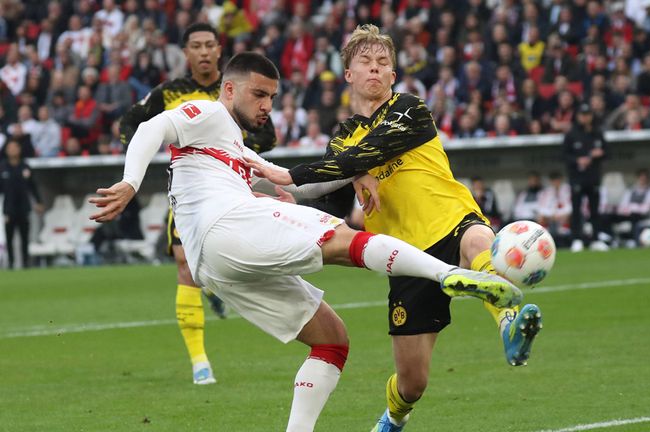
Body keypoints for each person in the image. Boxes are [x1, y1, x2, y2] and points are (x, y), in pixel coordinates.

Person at [90, 51, 521, 432]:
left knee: (332, 339)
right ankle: (452, 274)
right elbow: (151, 128)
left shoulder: (234, 146)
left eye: (273, 98)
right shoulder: (208, 113)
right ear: (228, 88)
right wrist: (130, 182)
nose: (267, 106)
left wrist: (352, 173)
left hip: (215, 264)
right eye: (259, 95)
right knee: (344, 240)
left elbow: (300, 185)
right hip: (227, 224)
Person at [245, 25, 542, 431]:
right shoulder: (346, 135)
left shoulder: (409, 108)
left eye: (383, 63)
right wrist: (292, 204)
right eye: (365, 62)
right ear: (348, 73)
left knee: (480, 240)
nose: (375, 69)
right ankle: (393, 418)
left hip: (452, 219)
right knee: (413, 381)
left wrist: (285, 173)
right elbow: (330, 192)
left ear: (393, 76)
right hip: (405, 257)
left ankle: (509, 322)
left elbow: (365, 153)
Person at [119, 22, 277, 385]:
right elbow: (131, 123)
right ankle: (200, 362)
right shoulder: (170, 92)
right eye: (196, 46)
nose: (204, 52)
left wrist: (236, 151)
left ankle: (213, 285)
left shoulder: (239, 90)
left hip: (235, 188)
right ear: (186, 53)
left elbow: (268, 134)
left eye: (210, 45)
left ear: (220, 51)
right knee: (184, 266)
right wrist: (143, 157)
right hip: (191, 192)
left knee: (230, 261)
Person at [564, 103, 610, 253]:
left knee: (595, 210)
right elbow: (564, 155)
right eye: (583, 115)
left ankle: (596, 239)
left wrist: (600, 153)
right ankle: (576, 239)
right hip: (577, 178)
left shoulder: (597, 133)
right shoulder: (571, 134)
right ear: (578, 116)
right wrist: (578, 160)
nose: (585, 118)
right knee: (576, 210)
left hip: (593, 177)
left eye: (588, 114)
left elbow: (608, 152)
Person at [0, 138, 43, 269]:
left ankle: (25, 264)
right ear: (6, 150)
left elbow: (33, 186)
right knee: (9, 238)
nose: (12, 150)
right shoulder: (2, 167)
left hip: (24, 208)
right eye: (10, 148)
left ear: (19, 149)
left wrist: (39, 201)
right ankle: (12, 264)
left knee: (25, 238)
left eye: (15, 147)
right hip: (9, 208)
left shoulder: (25, 166)